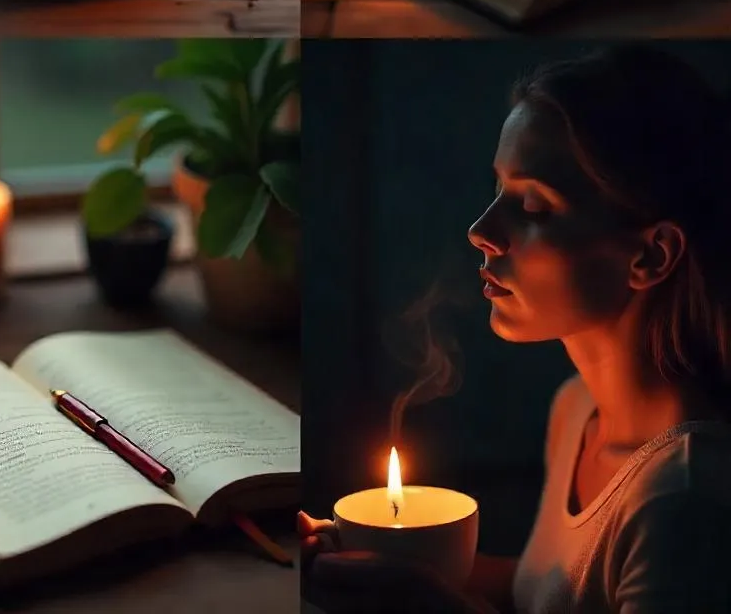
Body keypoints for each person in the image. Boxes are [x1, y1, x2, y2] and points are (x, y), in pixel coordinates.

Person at [300, 45, 731, 613]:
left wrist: (434, 607)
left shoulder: (684, 498)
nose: (481, 230)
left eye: (532, 206)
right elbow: (545, 597)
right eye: (498, 190)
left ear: (651, 255)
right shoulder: (577, 412)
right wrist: (371, 558)